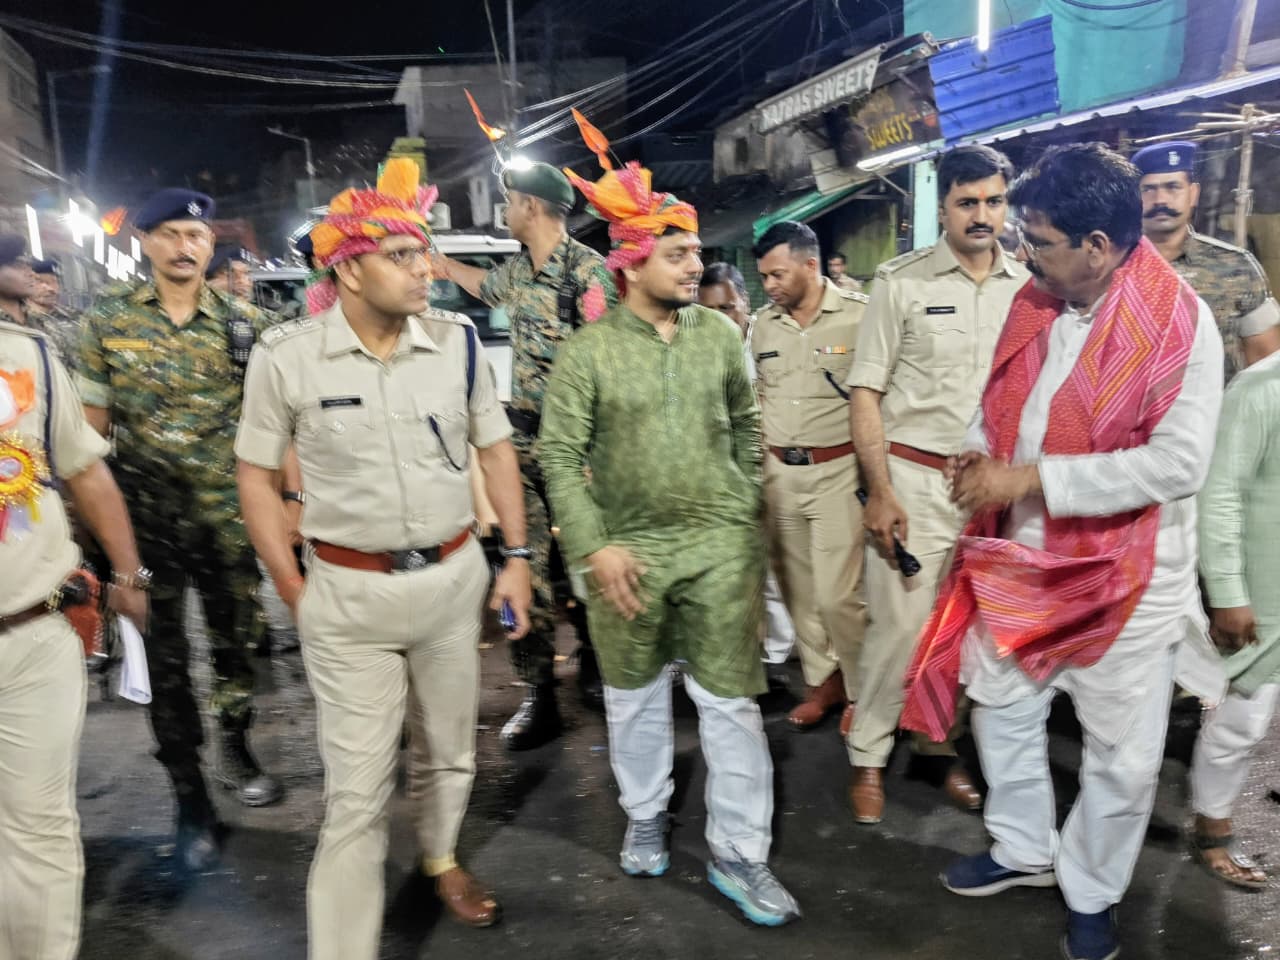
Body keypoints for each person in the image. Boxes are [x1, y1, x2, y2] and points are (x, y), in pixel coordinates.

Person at [903, 143, 1224, 960]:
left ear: (1098, 246)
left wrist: (1028, 478)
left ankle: (1090, 890)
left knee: (1122, 757)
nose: (1023, 253)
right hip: (1020, 558)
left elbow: (1177, 466)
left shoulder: (1179, 323)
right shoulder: (1039, 301)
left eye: (1039, 241)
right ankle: (1022, 848)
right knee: (1001, 709)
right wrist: (979, 453)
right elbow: (1002, 401)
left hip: (1124, 577)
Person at [235, 159, 532, 960]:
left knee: (452, 752)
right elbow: (255, 477)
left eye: (424, 252)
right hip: (347, 596)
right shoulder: (288, 356)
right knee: (357, 794)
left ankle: (440, 857)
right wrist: (291, 585)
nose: (423, 268)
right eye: (401, 255)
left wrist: (515, 556)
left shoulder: (457, 344)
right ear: (348, 269)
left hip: (451, 582)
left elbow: (496, 452)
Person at [540, 149, 801, 927]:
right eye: (678, 253)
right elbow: (558, 455)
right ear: (631, 261)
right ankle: (645, 813)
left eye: (695, 251)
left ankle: (740, 853)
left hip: (720, 548)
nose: (696, 265)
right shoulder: (587, 353)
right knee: (633, 697)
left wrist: (742, 505)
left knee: (732, 705)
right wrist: (595, 548)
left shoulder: (718, 335)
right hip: (627, 553)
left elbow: (747, 421)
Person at [77, 188, 285, 873]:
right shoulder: (108, 321)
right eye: (167, 233)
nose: (183, 246)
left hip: (227, 519)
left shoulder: (247, 324)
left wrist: (287, 509)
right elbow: (90, 438)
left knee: (236, 645)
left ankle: (236, 743)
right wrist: (96, 542)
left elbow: (273, 429)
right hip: (145, 527)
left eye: (194, 235)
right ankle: (188, 793)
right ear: (144, 242)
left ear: (209, 244)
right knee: (163, 662)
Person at [845, 144, 1025, 823]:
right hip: (916, 482)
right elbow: (866, 392)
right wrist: (880, 491)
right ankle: (867, 755)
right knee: (898, 627)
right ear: (943, 207)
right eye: (967, 202)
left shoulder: (1028, 287)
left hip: (991, 492)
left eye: (993, 201)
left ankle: (936, 744)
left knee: (969, 632)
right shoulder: (902, 283)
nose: (982, 215)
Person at [431, 160, 618, 746]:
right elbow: (482, 285)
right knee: (523, 567)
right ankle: (538, 690)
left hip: (581, 449)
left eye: (510, 202)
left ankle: (599, 663)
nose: (505, 212)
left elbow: (611, 362)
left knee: (588, 563)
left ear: (531, 206)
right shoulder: (516, 270)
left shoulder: (588, 273)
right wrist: (440, 264)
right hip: (526, 445)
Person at [1, 317, 148, 960]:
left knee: (39, 830)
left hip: (34, 631)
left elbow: (85, 471)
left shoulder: (27, 354)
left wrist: (130, 576)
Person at [752, 221, 865, 734]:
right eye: (764, 277)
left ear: (810, 265)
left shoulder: (859, 317)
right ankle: (824, 681)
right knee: (797, 591)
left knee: (839, 596)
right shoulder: (763, 325)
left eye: (777, 274)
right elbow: (759, 396)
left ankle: (862, 688)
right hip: (779, 473)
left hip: (839, 470)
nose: (769, 285)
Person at [1187, 347, 1280, 889]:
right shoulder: (1260, 388)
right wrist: (1227, 593)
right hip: (1265, 592)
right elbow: (1220, 494)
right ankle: (1213, 827)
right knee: (1242, 720)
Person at [698, 262, 796, 670]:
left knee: (776, 566)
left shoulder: (768, 340)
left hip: (775, 467)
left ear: (745, 302)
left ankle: (781, 654)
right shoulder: (697, 349)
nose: (721, 318)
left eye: (727, 308)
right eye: (709, 310)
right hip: (724, 473)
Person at [1132, 140, 1280, 382]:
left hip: (1220, 405)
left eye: (1172, 187)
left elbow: (1266, 362)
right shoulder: (1111, 266)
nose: (1160, 200)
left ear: (1193, 194)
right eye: (1148, 189)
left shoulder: (1236, 266)